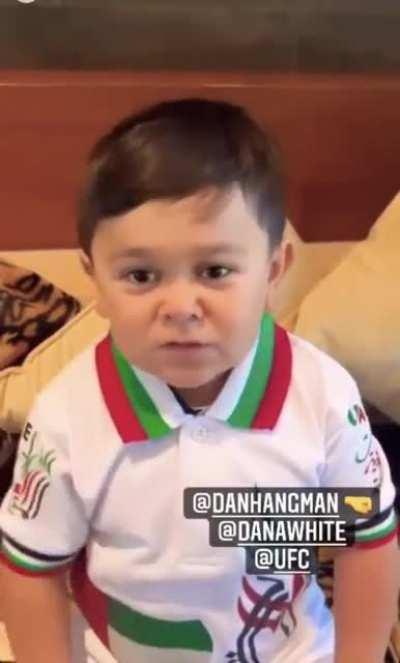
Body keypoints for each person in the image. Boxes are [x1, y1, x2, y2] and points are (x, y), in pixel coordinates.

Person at [0, 98, 398, 663]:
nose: (181, 306)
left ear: (274, 270)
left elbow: (366, 539)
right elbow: (30, 568)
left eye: (215, 271)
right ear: (96, 281)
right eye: (141, 275)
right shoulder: (66, 415)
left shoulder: (324, 396)